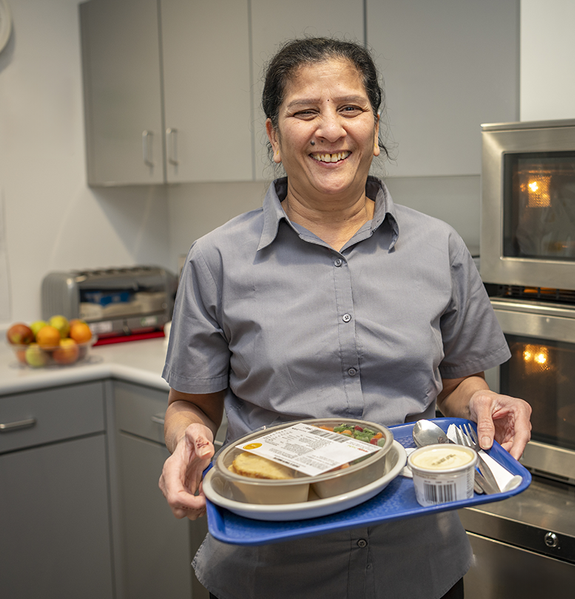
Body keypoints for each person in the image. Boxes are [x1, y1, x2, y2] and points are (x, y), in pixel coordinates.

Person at [159, 37, 532, 599]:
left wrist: (482, 401)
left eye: (350, 109)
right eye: (305, 111)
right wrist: (186, 440)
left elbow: (458, 382)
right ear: (273, 134)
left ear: (375, 129)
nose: (329, 129)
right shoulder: (216, 258)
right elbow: (191, 404)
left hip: (418, 563)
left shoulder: (440, 247)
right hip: (271, 568)